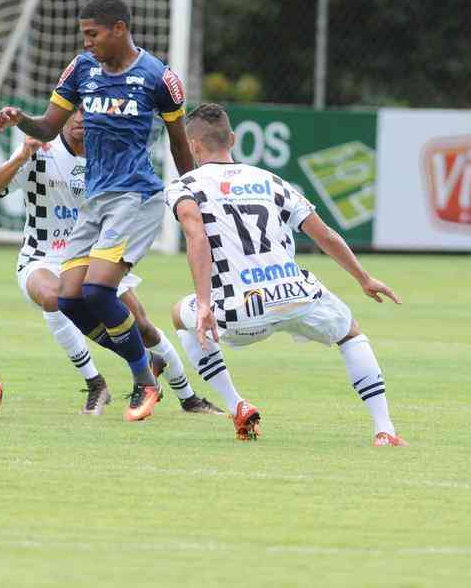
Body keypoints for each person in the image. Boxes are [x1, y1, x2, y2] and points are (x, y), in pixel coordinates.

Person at [0, 0, 195, 422]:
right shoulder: (82, 69)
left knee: (99, 290)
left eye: (93, 34)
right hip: (96, 202)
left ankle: (143, 378)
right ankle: (146, 364)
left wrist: (195, 194)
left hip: (136, 196)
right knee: (69, 300)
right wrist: (20, 119)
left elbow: (179, 145)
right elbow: (49, 125)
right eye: (83, 35)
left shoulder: (159, 78)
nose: (87, 42)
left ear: (119, 29)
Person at [165, 103, 408, 446]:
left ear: (193, 146)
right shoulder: (271, 181)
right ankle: (385, 430)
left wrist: (204, 303)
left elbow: (196, 236)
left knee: (179, 314)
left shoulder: (184, 186)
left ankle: (237, 405)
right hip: (294, 295)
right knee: (350, 334)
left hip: (238, 310)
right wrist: (364, 278)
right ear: (232, 139)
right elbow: (324, 234)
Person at [0, 109, 222, 416]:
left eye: (88, 112)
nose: (81, 119)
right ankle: (97, 384)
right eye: (75, 112)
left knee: (144, 327)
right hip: (43, 256)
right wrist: (21, 157)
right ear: (64, 115)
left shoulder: (108, 156)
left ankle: (189, 399)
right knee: (54, 297)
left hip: (94, 257)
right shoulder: (41, 148)